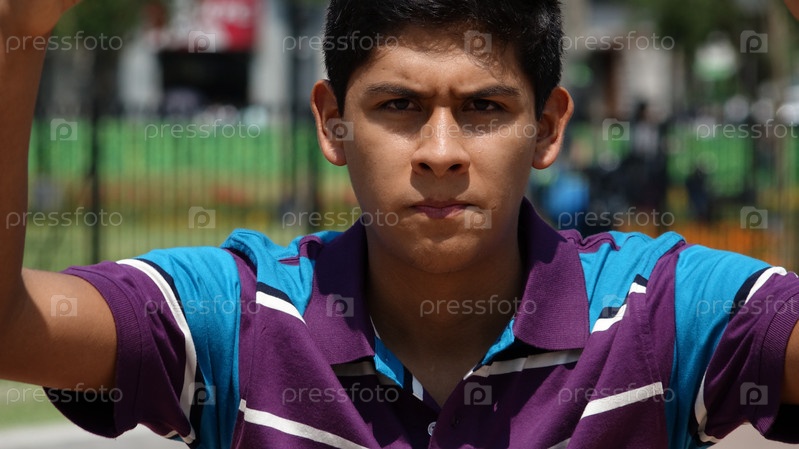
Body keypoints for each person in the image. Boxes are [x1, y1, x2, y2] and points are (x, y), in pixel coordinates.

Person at [2, 1, 799, 448]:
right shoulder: (239, 317)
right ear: (332, 122)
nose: (440, 152)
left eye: (483, 107)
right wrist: (18, 29)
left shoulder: (655, 313)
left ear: (549, 127)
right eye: (398, 105)